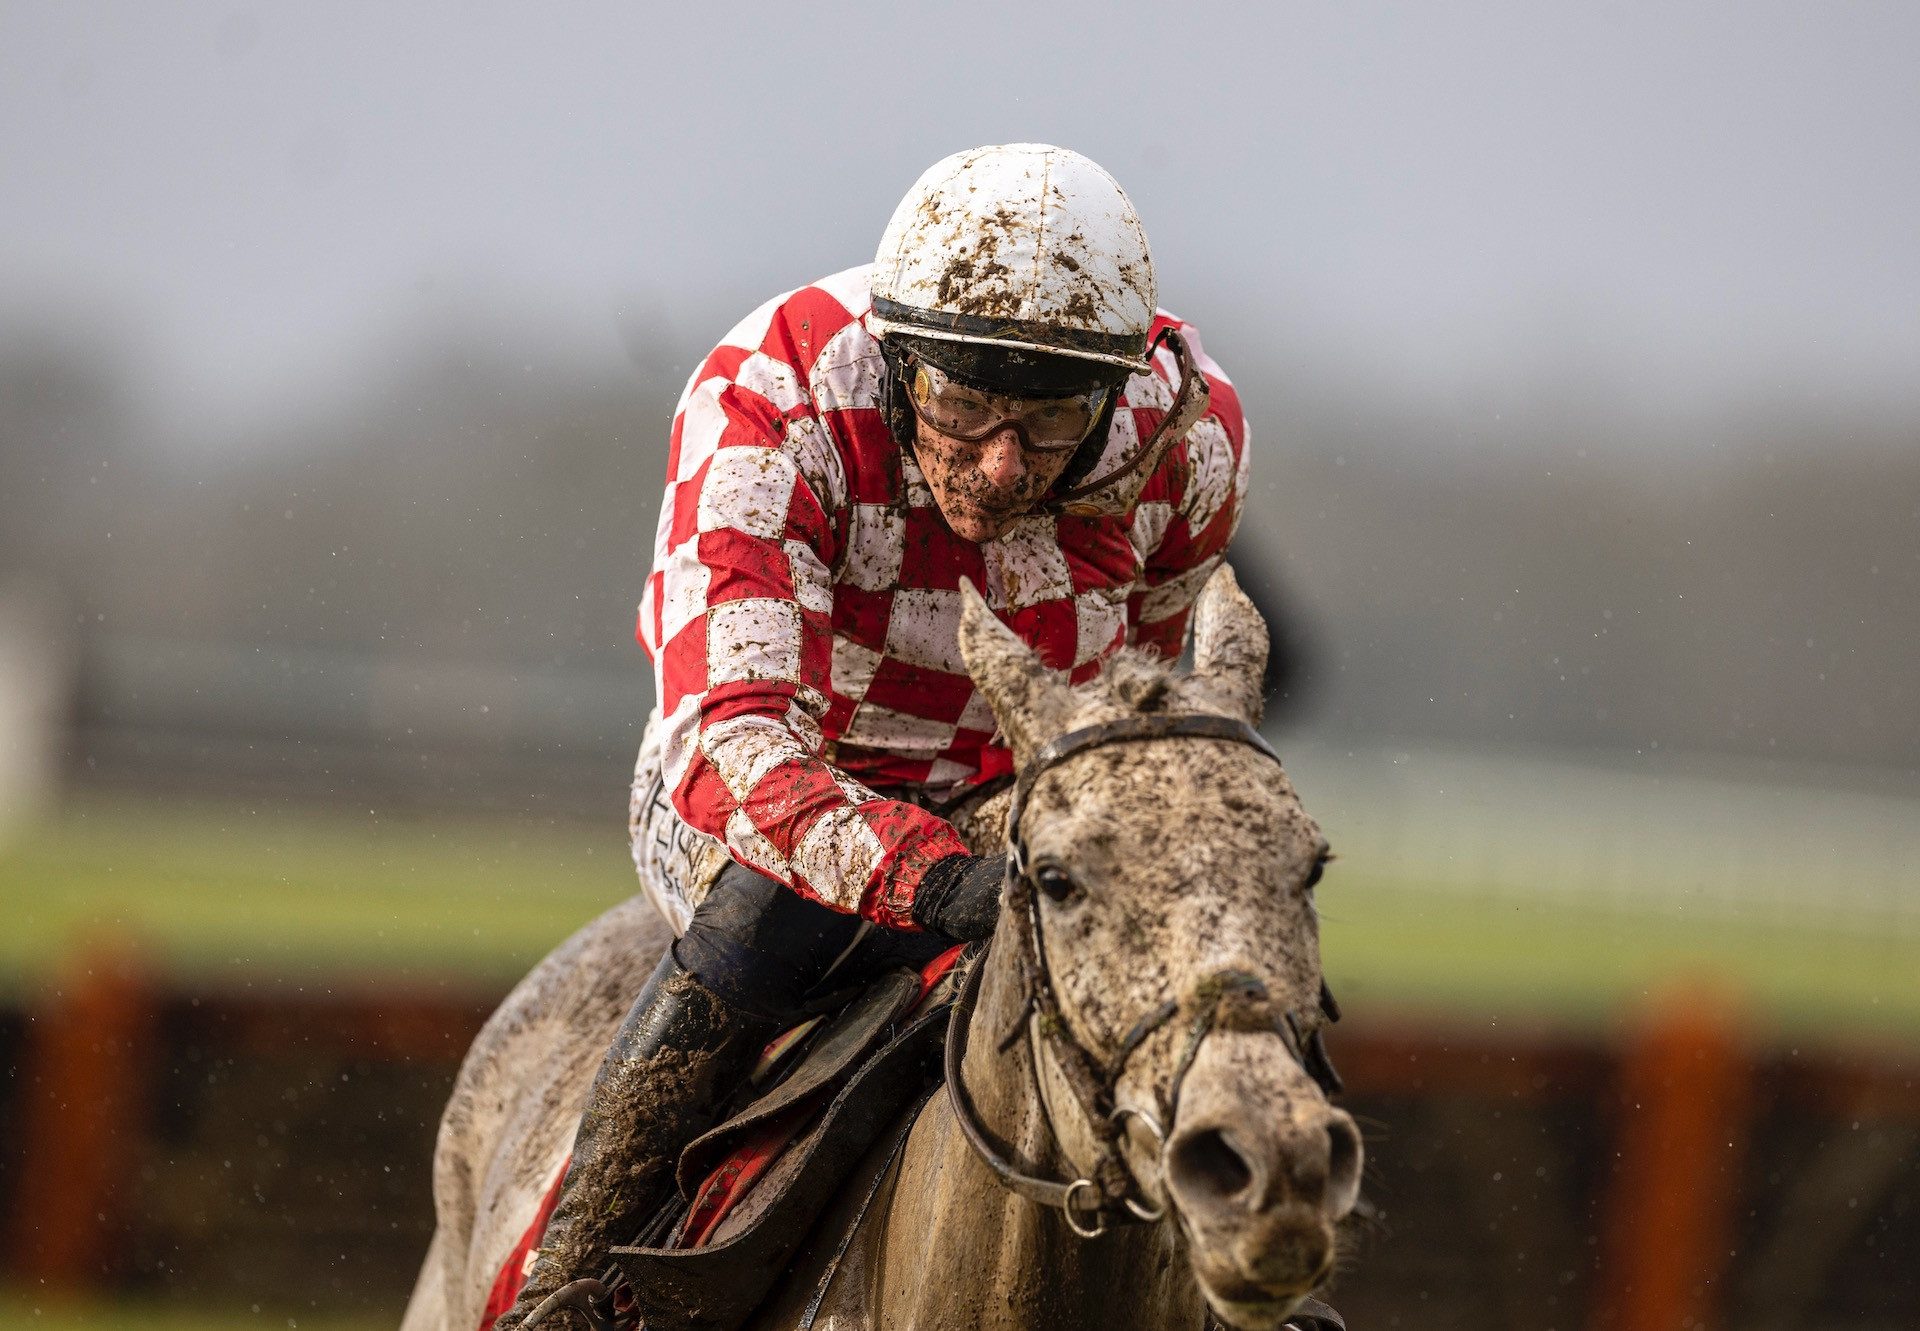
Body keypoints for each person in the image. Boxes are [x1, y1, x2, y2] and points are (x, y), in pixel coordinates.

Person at [496, 143, 1255, 1329]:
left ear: (1116, 387)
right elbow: (733, 744)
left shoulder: (1192, 439)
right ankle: (570, 1275)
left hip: (1016, 793)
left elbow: (1135, 719)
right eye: (960, 407)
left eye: (1051, 419)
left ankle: (1263, 1249)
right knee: (765, 922)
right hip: (775, 792)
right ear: (898, 365)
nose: (1000, 467)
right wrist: (930, 876)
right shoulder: (770, 396)